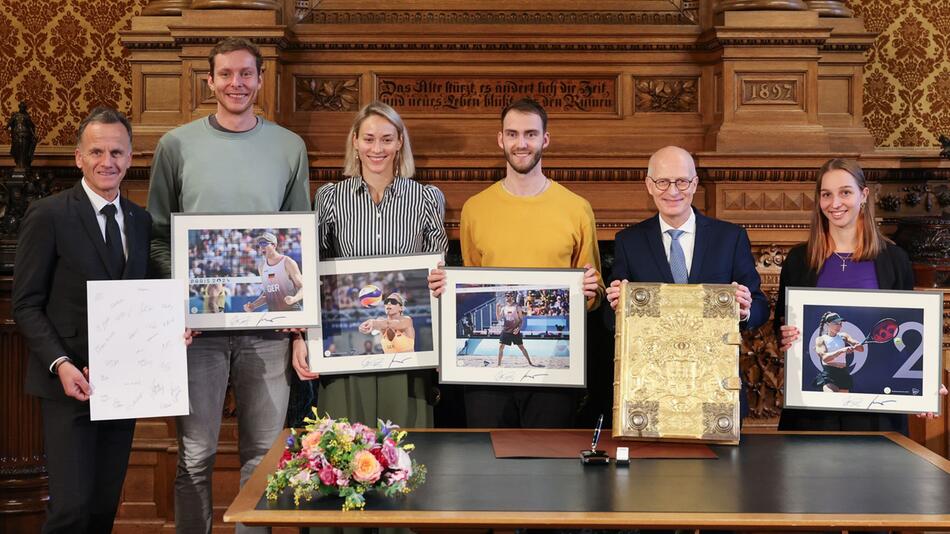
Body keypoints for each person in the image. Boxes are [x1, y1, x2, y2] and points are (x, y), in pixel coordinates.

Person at [146, 37, 311, 534]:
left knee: (261, 458)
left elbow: (299, 238)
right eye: (225, 75)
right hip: (198, 334)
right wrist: (179, 303)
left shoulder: (289, 146)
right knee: (194, 457)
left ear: (260, 79)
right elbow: (157, 237)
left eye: (245, 74)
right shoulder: (175, 145)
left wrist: (298, 325)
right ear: (210, 80)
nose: (235, 84)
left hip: (266, 331)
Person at [12, 108, 180, 533]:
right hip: (69, 383)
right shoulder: (48, 214)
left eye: (117, 152)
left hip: (123, 386)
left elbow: (145, 300)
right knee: (70, 508)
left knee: (104, 505)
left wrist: (174, 328)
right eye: (97, 151)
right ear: (78, 157)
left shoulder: (141, 222)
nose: (108, 161)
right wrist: (61, 364)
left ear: (130, 158)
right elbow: (26, 304)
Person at [429, 97, 604, 428]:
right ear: (501, 139)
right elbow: (472, 278)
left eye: (530, 134)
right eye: (512, 134)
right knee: (487, 463)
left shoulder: (577, 208)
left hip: (557, 373)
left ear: (545, 140)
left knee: (550, 468)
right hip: (489, 384)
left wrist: (591, 289)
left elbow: (591, 297)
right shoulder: (475, 209)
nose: (521, 143)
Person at [292, 101, 448, 429]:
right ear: (355, 141)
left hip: (407, 348)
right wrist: (300, 337)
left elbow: (439, 278)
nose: (377, 148)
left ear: (400, 142)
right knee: (346, 451)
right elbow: (312, 274)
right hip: (346, 343)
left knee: (408, 452)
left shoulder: (426, 198)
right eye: (369, 138)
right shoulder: (330, 197)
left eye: (387, 139)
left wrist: (442, 343)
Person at [776, 158, 946, 431]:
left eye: (845, 192)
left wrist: (924, 381)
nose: (835, 203)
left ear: (864, 195)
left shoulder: (894, 259)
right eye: (826, 194)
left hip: (877, 414)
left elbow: (906, 328)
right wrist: (785, 335)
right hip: (812, 412)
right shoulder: (799, 260)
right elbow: (781, 327)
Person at [604, 146, 769, 420]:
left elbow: (760, 306)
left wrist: (746, 310)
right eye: (663, 182)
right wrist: (616, 308)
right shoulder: (628, 242)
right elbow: (610, 321)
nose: (672, 191)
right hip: (650, 391)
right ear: (649, 185)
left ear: (694, 184)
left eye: (681, 181)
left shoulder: (730, 238)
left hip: (716, 388)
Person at [242, 232, 304, 312]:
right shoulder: (261, 267)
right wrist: (253, 305)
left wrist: (294, 299)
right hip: (273, 314)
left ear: (274, 245)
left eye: (264, 243)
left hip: (291, 311)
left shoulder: (287, 262)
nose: (261, 247)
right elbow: (268, 294)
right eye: (260, 244)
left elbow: (303, 288)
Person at [812, 311, 863, 392]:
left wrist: (856, 346)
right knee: (833, 399)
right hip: (829, 374)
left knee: (843, 403)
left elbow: (861, 349)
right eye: (836, 323)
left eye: (840, 323)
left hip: (843, 373)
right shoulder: (820, 339)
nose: (839, 325)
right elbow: (825, 358)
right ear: (827, 324)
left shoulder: (844, 336)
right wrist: (842, 350)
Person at [496, 291, 541, 367]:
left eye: (508, 296)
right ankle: (498, 364)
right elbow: (498, 318)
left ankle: (530, 362)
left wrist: (518, 328)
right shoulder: (504, 308)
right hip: (506, 330)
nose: (507, 297)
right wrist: (497, 308)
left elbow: (521, 319)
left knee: (521, 347)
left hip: (515, 331)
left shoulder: (517, 307)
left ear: (512, 297)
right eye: (506, 296)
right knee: (501, 347)